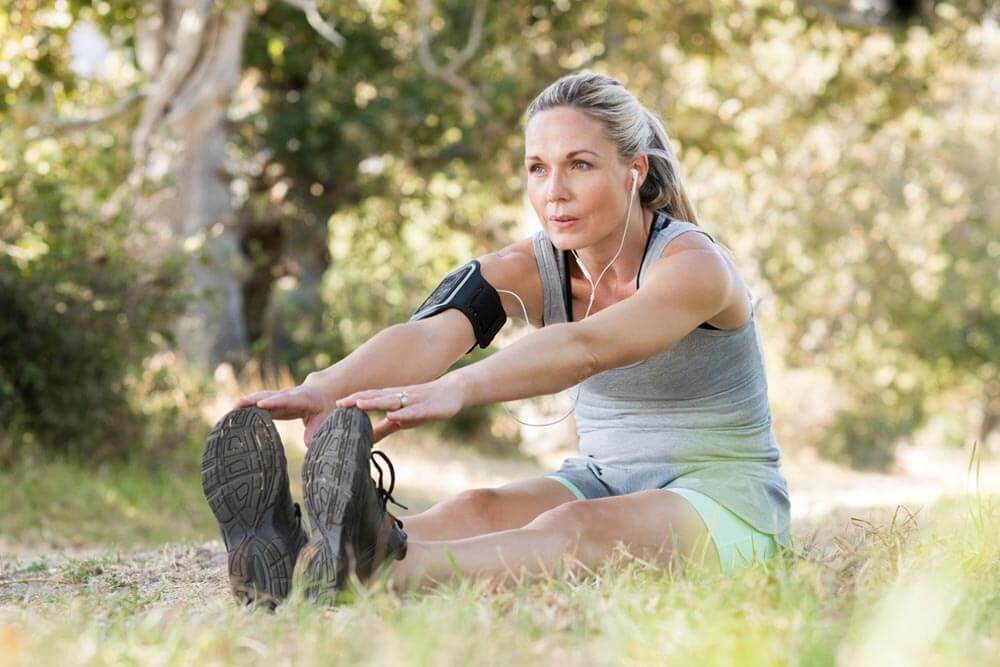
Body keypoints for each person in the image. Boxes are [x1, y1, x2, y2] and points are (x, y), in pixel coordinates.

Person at [201, 72, 791, 607]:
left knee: (572, 532)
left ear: (634, 170)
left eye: (579, 165)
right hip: (604, 477)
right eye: (537, 168)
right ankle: (295, 562)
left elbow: (585, 347)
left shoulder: (695, 267)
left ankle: (373, 571)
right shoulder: (528, 267)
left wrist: (460, 389)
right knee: (475, 508)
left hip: (725, 500)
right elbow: (429, 335)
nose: (553, 191)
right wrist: (323, 388)